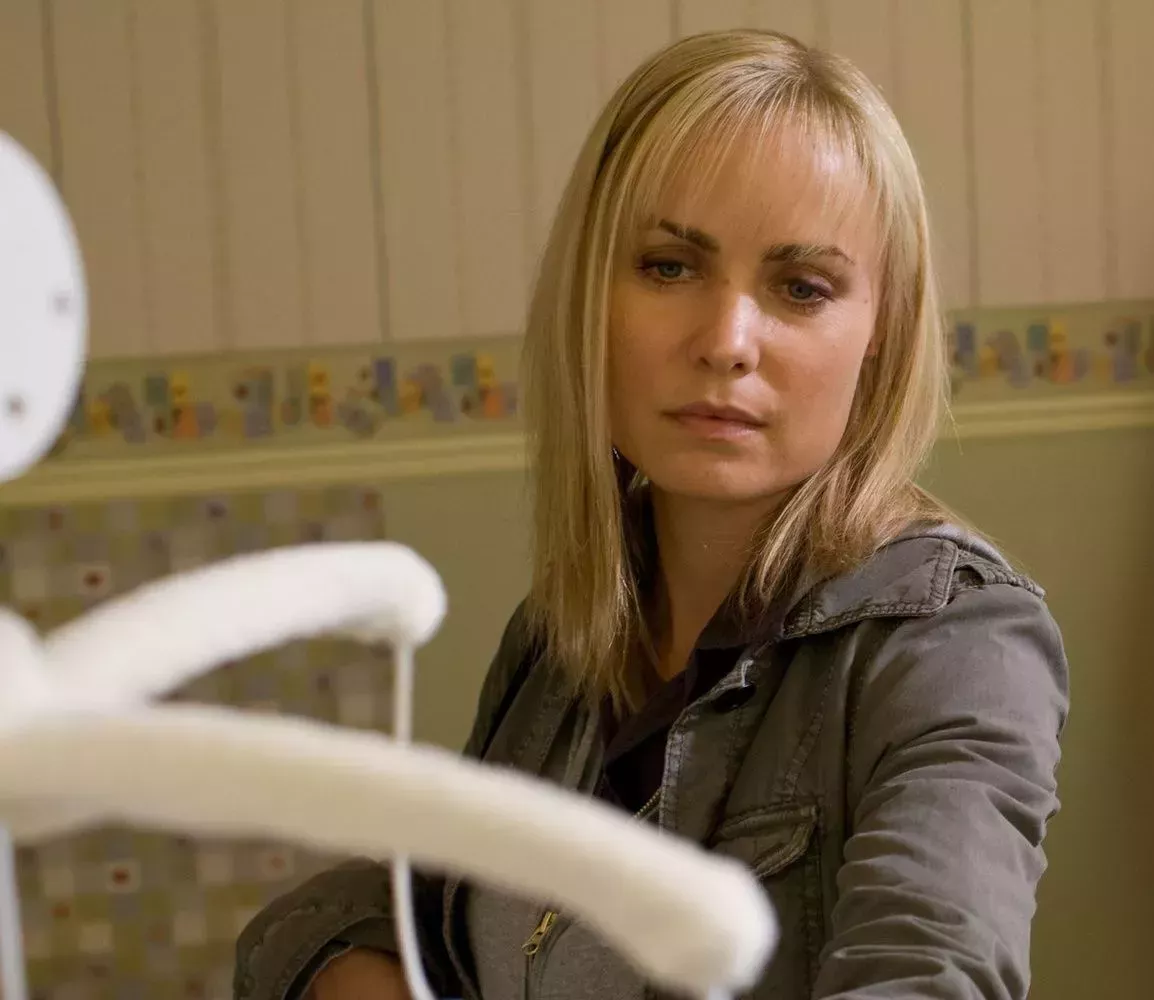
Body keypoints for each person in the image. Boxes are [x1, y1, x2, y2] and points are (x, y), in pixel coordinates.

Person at [236, 29, 1068, 1000]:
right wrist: (349, 958)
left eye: (801, 288)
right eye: (670, 267)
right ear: (591, 294)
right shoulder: (562, 633)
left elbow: (931, 974)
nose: (726, 341)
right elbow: (435, 906)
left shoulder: (957, 641)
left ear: (881, 330)